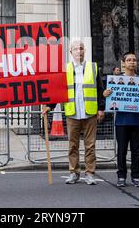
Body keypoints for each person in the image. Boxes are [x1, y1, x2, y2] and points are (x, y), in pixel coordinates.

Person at [42, 40, 105, 185]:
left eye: (81, 48)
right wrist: (50, 106)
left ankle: (90, 173)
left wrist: (101, 108)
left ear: (85, 51)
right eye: (76, 49)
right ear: (71, 53)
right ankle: (74, 172)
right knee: (73, 145)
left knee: (90, 145)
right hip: (72, 112)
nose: (79, 51)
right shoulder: (66, 69)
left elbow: (99, 90)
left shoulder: (93, 67)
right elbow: (59, 90)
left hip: (90, 112)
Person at [103, 52, 139, 187]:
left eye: (134, 60)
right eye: (129, 60)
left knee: (136, 151)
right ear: (124, 63)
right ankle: (121, 176)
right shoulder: (115, 81)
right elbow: (107, 97)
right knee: (121, 150)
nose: (132, 62)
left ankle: (136, 176)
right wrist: (105, 94)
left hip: (137, 121)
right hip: (121, 121)